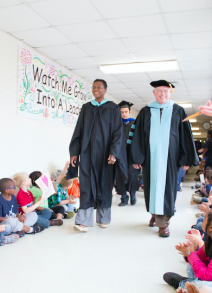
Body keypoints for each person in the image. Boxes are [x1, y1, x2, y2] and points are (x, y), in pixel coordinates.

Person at [130, 80, 199, 237]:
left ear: (170, 93)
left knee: (167, 189)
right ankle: (155, 214)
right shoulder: (145, 111)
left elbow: (185, 136)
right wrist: (137, 157)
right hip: (150, 159)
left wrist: (186, 159)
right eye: (159, 91)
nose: (163, 94)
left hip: (171, 159)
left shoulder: (178, 111)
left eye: (166, 91)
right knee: (151, 188)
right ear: (154, 93)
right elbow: (138, 136)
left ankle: (163, 223)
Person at [68, 79, 128, 232]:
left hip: (105, 154)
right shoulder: (87, 108)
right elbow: (79, 130)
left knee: (105, 184)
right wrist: (75, 152)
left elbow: (117, 132)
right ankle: (83, 221)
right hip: (87, 153)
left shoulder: (113, 108)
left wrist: (114, 152)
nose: (96, 90)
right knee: (86, 185)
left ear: (105, 89)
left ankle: (103, 218)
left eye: (99, 87)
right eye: (94, 87)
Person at [163, 209, 212, 292]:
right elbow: (201, 257)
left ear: (210, 228)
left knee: (204, 287)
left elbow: (206, 275)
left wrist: (192, 254)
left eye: (204, 219)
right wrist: (189, 253)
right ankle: (190, 283)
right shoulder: (210, 239)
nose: (203, 220)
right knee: (191, 265)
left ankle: (183, 285)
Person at [116, 100, 139, 206]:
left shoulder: (135, 123)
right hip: (120, 155)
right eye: (122, 112)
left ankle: (133, 195)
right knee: (120, 176)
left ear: (129, 111)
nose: (124, 114)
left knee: (132, 176)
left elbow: (139, 140)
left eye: (126, 111)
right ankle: (124, 198)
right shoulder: (117, 124)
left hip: (131, 155)